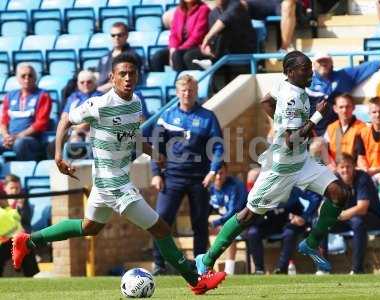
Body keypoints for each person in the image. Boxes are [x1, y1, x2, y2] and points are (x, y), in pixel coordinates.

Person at [11, 53, 226, 295]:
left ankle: (27, 241)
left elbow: (132, 136)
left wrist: (153, 153)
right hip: (113, 184)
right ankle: (195, 280)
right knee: (161, 229)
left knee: (90, 227)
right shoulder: (99, 104)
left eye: (131, 73)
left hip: (112, 181)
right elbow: (64, 121)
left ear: (137, 76)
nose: (127, 78)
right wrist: (58, 156)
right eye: (122, 73)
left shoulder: (135, 103)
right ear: (112, 77)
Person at [194, 51, 350, 276]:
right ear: (290, 72)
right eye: (305, 69)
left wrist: (279, 120)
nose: (311, 73)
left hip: (301, 161)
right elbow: (290, 141)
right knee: (248, 215)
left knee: (340, 193)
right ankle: (207, 259)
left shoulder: (286, 85)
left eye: (310, 68)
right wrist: (316, 117)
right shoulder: (291, 98)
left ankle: (311, 242)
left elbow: (265, 100)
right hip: (281, 168)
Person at [150, 74, 224, 275]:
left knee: (200, 223)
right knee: (161, 220)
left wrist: (213, 171)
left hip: (199, 178)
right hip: (171, 177)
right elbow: (156, 147)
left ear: (196, 92)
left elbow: (218, 146)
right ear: (177, 92)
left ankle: (201, 266)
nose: (187, 93)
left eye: (190, 90)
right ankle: (158, 264)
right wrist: (156, 173)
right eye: (183, 90)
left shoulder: (208, 117)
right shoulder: (166, 116)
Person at [325, 153, 380, 274]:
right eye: (342, 167)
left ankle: (357, 269)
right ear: (337, 169)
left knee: (357, 221)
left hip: (372, 217)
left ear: (354, 167)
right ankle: (322, 269)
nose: (345, 170)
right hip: (348, 219)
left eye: (348, 166)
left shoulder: (363, 178)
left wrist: (340, 215)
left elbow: (362, 208)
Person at [307, 53, 380, 135]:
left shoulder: (344, 76)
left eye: (326, 61)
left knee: (341, 144)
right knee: (315, 146)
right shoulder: (305, 82)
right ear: (314, 64)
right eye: (320, 62)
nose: (323, 64)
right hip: (315, 130)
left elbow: (371, 65)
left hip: (338, 129)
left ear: (332, 63)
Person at [0, 64, 52, 161]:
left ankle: (22, 171)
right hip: (10, 137)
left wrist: (18, 136)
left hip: (32, 139)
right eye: (23, 76)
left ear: (35, 77)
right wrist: (6, 136)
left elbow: (41, 123)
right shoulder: (10, 95)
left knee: (20, 143)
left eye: (30, 75)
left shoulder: (43, 95)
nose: (27, 78)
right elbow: (3, 121)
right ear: (17, 78)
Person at [150, 0, 210, 72]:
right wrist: (172, 49)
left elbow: (197, 37)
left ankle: (181, 82)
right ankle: (160, 82)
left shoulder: (203, 9)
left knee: (177, 55)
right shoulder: (178, 11)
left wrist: (178, 50)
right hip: (179, 48)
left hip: (195, 47)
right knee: (157, 57)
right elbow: (173, 34)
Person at [208, 162, 247, 275]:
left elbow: (234, 212)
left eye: (221, 173)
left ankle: (229, 271)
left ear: (226, 173)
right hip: (223, 220)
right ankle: (207, 268)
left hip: (243, 221)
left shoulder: (235, 186)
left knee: (229, 231)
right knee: (202, 230)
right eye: (216, 173)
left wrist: (215, 223)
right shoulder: (209, 188)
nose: (219, 176)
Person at [0, 174, 39, 277]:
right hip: (3, 240)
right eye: (12, 188)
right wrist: (11, 207)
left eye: (17, 188)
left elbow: (26, 222)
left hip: (19, 239)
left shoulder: (23, 201)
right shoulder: (1, 201)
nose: (14, 191)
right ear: (5, 188)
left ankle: (30, 277)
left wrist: (20, 208)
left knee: (27, 246)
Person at [97, 22, 143, 93]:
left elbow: (126, 80)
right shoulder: (104, 57)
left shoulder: (132, 56)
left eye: (119, 35)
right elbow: (98, 76)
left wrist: (99, 90)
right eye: (113, 35)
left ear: (127, 35)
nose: (116, 38)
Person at [323, 94, 365, 168]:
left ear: (353, 107)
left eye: (347, 107)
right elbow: (324, 150)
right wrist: (331, 165)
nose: (344, 110)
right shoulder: (331, 128)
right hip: (335, 168)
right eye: (341, 107)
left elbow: (363, 155)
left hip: (355, 169)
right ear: (335, 109)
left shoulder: (362, 128)